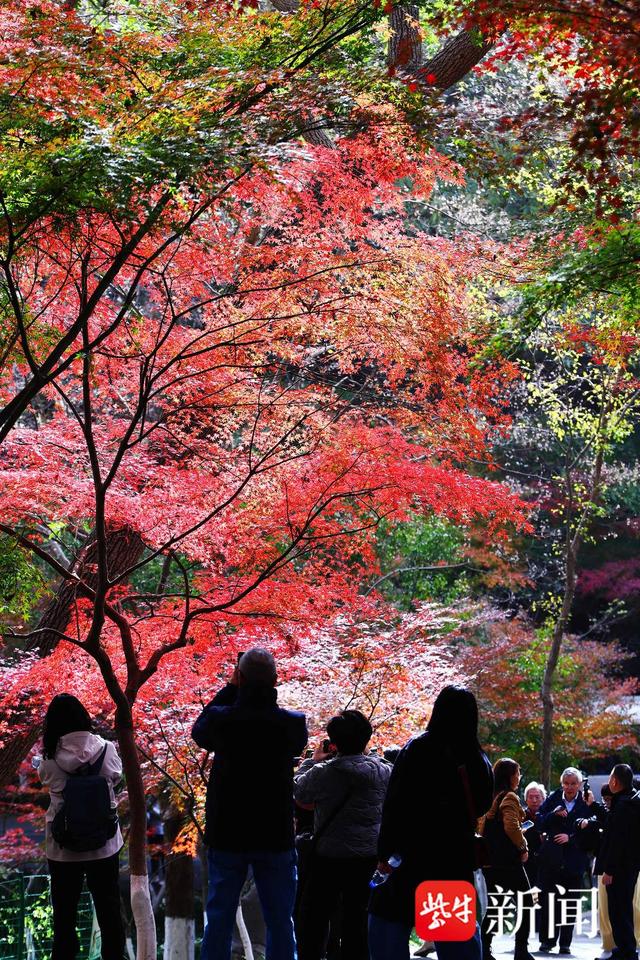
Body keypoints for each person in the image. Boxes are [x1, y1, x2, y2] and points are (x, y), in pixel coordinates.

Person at [192, 647, 308, 960]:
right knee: (280, 919)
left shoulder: (221, 720)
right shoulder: (293, 725)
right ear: (276, 679)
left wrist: (231, 688)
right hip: (275, 832)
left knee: (219, 917)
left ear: (240, 677)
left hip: (227, 830)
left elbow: (198, 731)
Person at [368, 685, 494, 960]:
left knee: (390, 923)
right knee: (454, 938)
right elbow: (483, 804)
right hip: (451, 857)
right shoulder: (477, 758)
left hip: (409, 856)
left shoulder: (418, 748)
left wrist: (385, 853)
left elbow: (395, 805)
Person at [294, 709, 391, 960]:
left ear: (334, 741)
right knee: (357, 921)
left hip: (328, 857)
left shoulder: (325, 771)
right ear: (366, 738)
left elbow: (300, 793)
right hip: (367, 858)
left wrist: (312, 761)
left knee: (313, 919)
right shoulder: (383, 771)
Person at [37, 693, 125, 960]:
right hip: (104, 843)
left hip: (63, 846)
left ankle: (64, 955)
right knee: (109, 906)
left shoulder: (49, 760)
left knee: (64, 911)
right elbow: (117, 776)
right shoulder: (108, 749)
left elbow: (44, 778)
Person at [479, 759, 535, 960]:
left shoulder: (489, 796)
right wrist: (523, 847)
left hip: (490, 861)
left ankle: (484, 949)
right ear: (509, 776)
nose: (519, 777)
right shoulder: (509, 797)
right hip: (508, 862)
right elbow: (511, 826)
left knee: (497, 905)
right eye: (517, 773)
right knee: (526, 902)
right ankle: (521, 950)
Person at [537, 767, 593, 954]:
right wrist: (553, 814)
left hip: (574, 860)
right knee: (549, 902)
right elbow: (540, 821)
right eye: (566, 783)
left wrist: (572, 837)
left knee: (570, 903)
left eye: (573, 784)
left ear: (579, 784)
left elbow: (593, 830)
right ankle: (547, 941)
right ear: (562, 784)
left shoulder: (585, 802)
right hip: (552, 859)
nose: (569, 787)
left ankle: (565, 943)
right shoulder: (553, 798)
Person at [597, 765, 640, 960]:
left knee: (618, 911)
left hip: (620, 868)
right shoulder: (633, 800)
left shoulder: (623, 806)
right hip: (630, 866)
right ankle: (625, 949)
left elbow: (617, 842)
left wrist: (609, 871)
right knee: (622, 909)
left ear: (614, 781)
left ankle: (626, 951)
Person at [522, 782, 546, 890]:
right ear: (526, 799)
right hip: (526, 861)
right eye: (531, 797)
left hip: (545, 862)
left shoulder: (548, 816)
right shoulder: (520, 816)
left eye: (537, 797)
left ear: (543, 798)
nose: (534, 800)